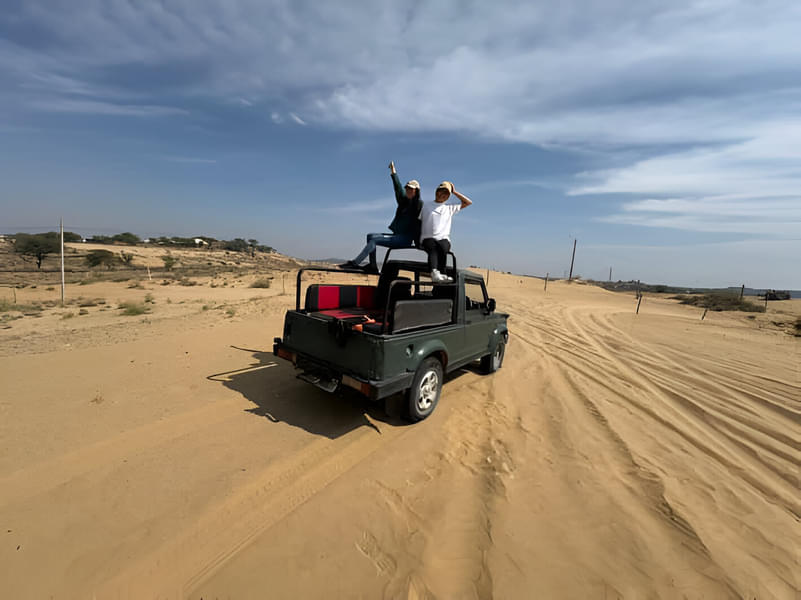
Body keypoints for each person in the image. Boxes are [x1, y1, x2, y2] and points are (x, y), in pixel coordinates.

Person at [339, 161, 422, 273]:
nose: (408, 190)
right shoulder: (403, 202)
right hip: (397, 236)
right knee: (370, 236)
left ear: (416, 191)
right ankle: (373, 266)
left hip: (405, 239)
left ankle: (355, 263)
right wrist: (393, 172)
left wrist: (420, 242)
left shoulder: (418, 204)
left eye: (411, 189)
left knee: (374, 240)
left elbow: (421, 222)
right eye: (407, 188)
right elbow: (397, 187)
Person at [419, 181, 472, 282]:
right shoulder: (425, 206)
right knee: (433, 247)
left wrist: (454, 192)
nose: (442, 195)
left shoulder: (449, 208)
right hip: (427, 238)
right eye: (441, 192)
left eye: (446, 193)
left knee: (444, 247)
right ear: (436, 192)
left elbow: (468, 202)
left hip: (443, 238)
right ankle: (434, 272)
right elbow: (417, 221)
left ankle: (441, 274)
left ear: (448, 196)